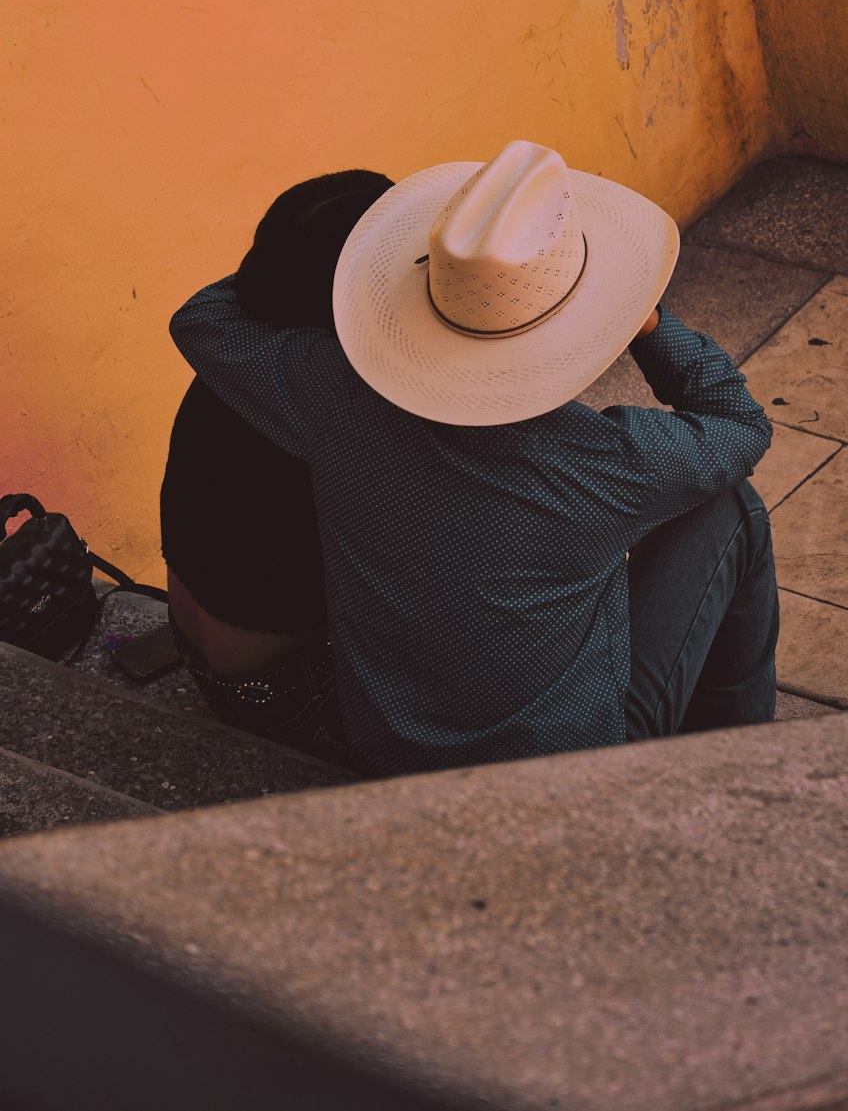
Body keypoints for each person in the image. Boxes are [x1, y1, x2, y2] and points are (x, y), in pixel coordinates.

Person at [170, 139, 778, 779]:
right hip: (569, 778)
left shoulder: (330, 397)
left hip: (390, 756)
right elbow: (740, 423)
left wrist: (361, 288)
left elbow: (203, 318)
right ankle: (737, 774)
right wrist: (649, 326)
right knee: (732, 508)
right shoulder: (608, 464)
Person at [160, 169, 392, 764]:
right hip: (298, 694)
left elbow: (211, 302)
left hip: (202, 660)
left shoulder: (233, 354)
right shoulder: (343, 396)